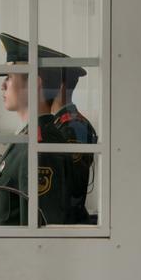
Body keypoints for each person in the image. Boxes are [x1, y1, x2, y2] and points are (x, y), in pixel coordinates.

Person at [0, 33, 70, 226]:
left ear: (34, 82)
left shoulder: (40, 145)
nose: (2, 85)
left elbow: (38, 234)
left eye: (9, 77)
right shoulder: (29, 138)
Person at [48, 66, 98, 224]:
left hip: (66, 222)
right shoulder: (62, 123)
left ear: (60, 87)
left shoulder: (73, 127)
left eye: (45, 83)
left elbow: (71, 185)